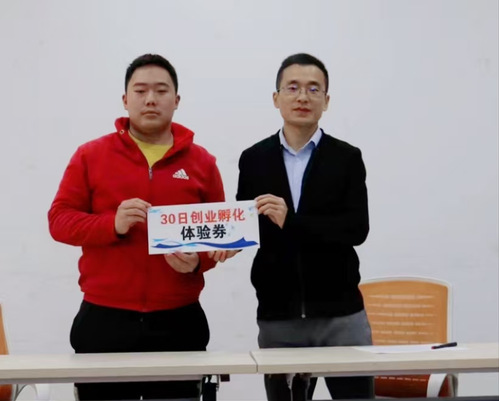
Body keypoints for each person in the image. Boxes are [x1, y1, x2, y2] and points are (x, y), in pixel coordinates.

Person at [48, 54, 228, 401]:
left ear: (176, 100)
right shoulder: (90, 155)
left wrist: (198, 261)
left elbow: (218, 234)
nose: (150, 99)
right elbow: (59, 220)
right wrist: (111, 224)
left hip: (179, 320)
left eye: (161, 91)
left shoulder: (202, 162)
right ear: (125, 99)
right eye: (141, 90)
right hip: (104, 319)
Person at [236, 53, 374, 400]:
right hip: (278, 317)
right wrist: (221, 245)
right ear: (276, 98)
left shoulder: (347, 157)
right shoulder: (254, 159)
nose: (303, 97)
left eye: (314, 89)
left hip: (341, 315)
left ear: (326, 101)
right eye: (293, 87)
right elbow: (247, 227)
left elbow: (355, 229)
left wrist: (292, 222)